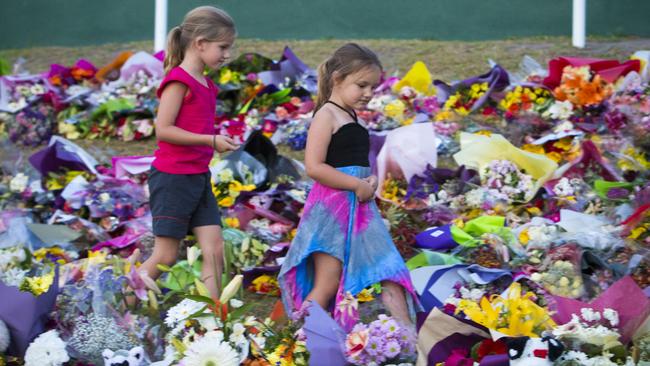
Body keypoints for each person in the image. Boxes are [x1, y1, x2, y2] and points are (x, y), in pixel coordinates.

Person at [278, 43, 419, 330]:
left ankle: (408, 342)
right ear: (337, 79)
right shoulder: (326, 116)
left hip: (359, 208)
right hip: (331, 212)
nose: (368, 94)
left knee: (389, 268)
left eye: (373, 87)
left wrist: (370, 180)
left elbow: (354, 162)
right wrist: (356, 184)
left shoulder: (351, 116)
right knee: (327, 283)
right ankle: (297, 338)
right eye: (362, 85)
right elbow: (315, 166)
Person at [139, 6, 239, 299]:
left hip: (197, 177)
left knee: (215, 250)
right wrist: (210, 140)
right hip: (173, 179)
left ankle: (212, 317)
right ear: (200, 43)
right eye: (223, 47)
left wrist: (214, 140)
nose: (226, 54)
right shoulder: (178, 81)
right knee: (166, 255)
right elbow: (164, 129)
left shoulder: (207, 85)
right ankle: (119, 302)